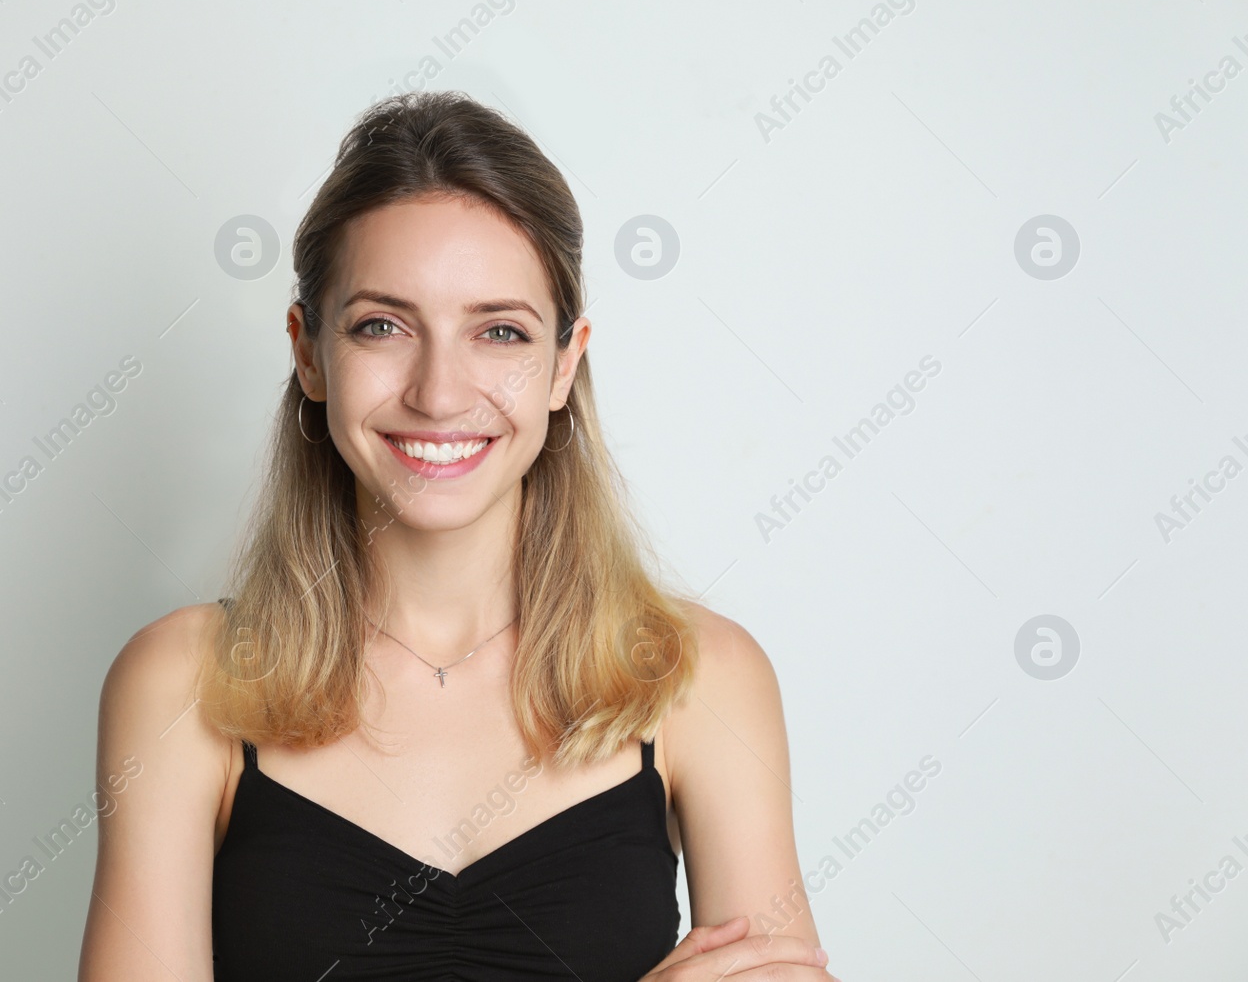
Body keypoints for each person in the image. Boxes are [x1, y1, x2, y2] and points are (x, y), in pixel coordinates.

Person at [78, 91, 834, 981]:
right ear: (310, 351)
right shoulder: (180, 684)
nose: (440, 392)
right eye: (383, 326)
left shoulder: (702, 679)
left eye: (500, 332)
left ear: (565, 362)